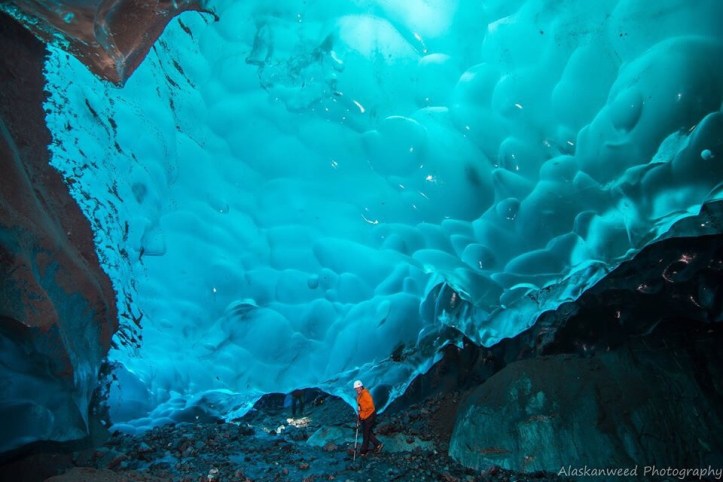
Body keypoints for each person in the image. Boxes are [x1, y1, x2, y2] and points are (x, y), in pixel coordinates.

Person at [353, 380, 383, 455]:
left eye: (358, 388)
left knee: (365, 434)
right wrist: (360, 413)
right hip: (364, 416)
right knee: (367, 432)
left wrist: (361, 409)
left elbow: (370, 406)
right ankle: (378, 444)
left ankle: (363, 451)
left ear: (361, 387)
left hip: (370, 416)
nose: (357, 389)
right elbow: (360, 405)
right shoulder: (359, 395)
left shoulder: (365, 394)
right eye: (356, 388)